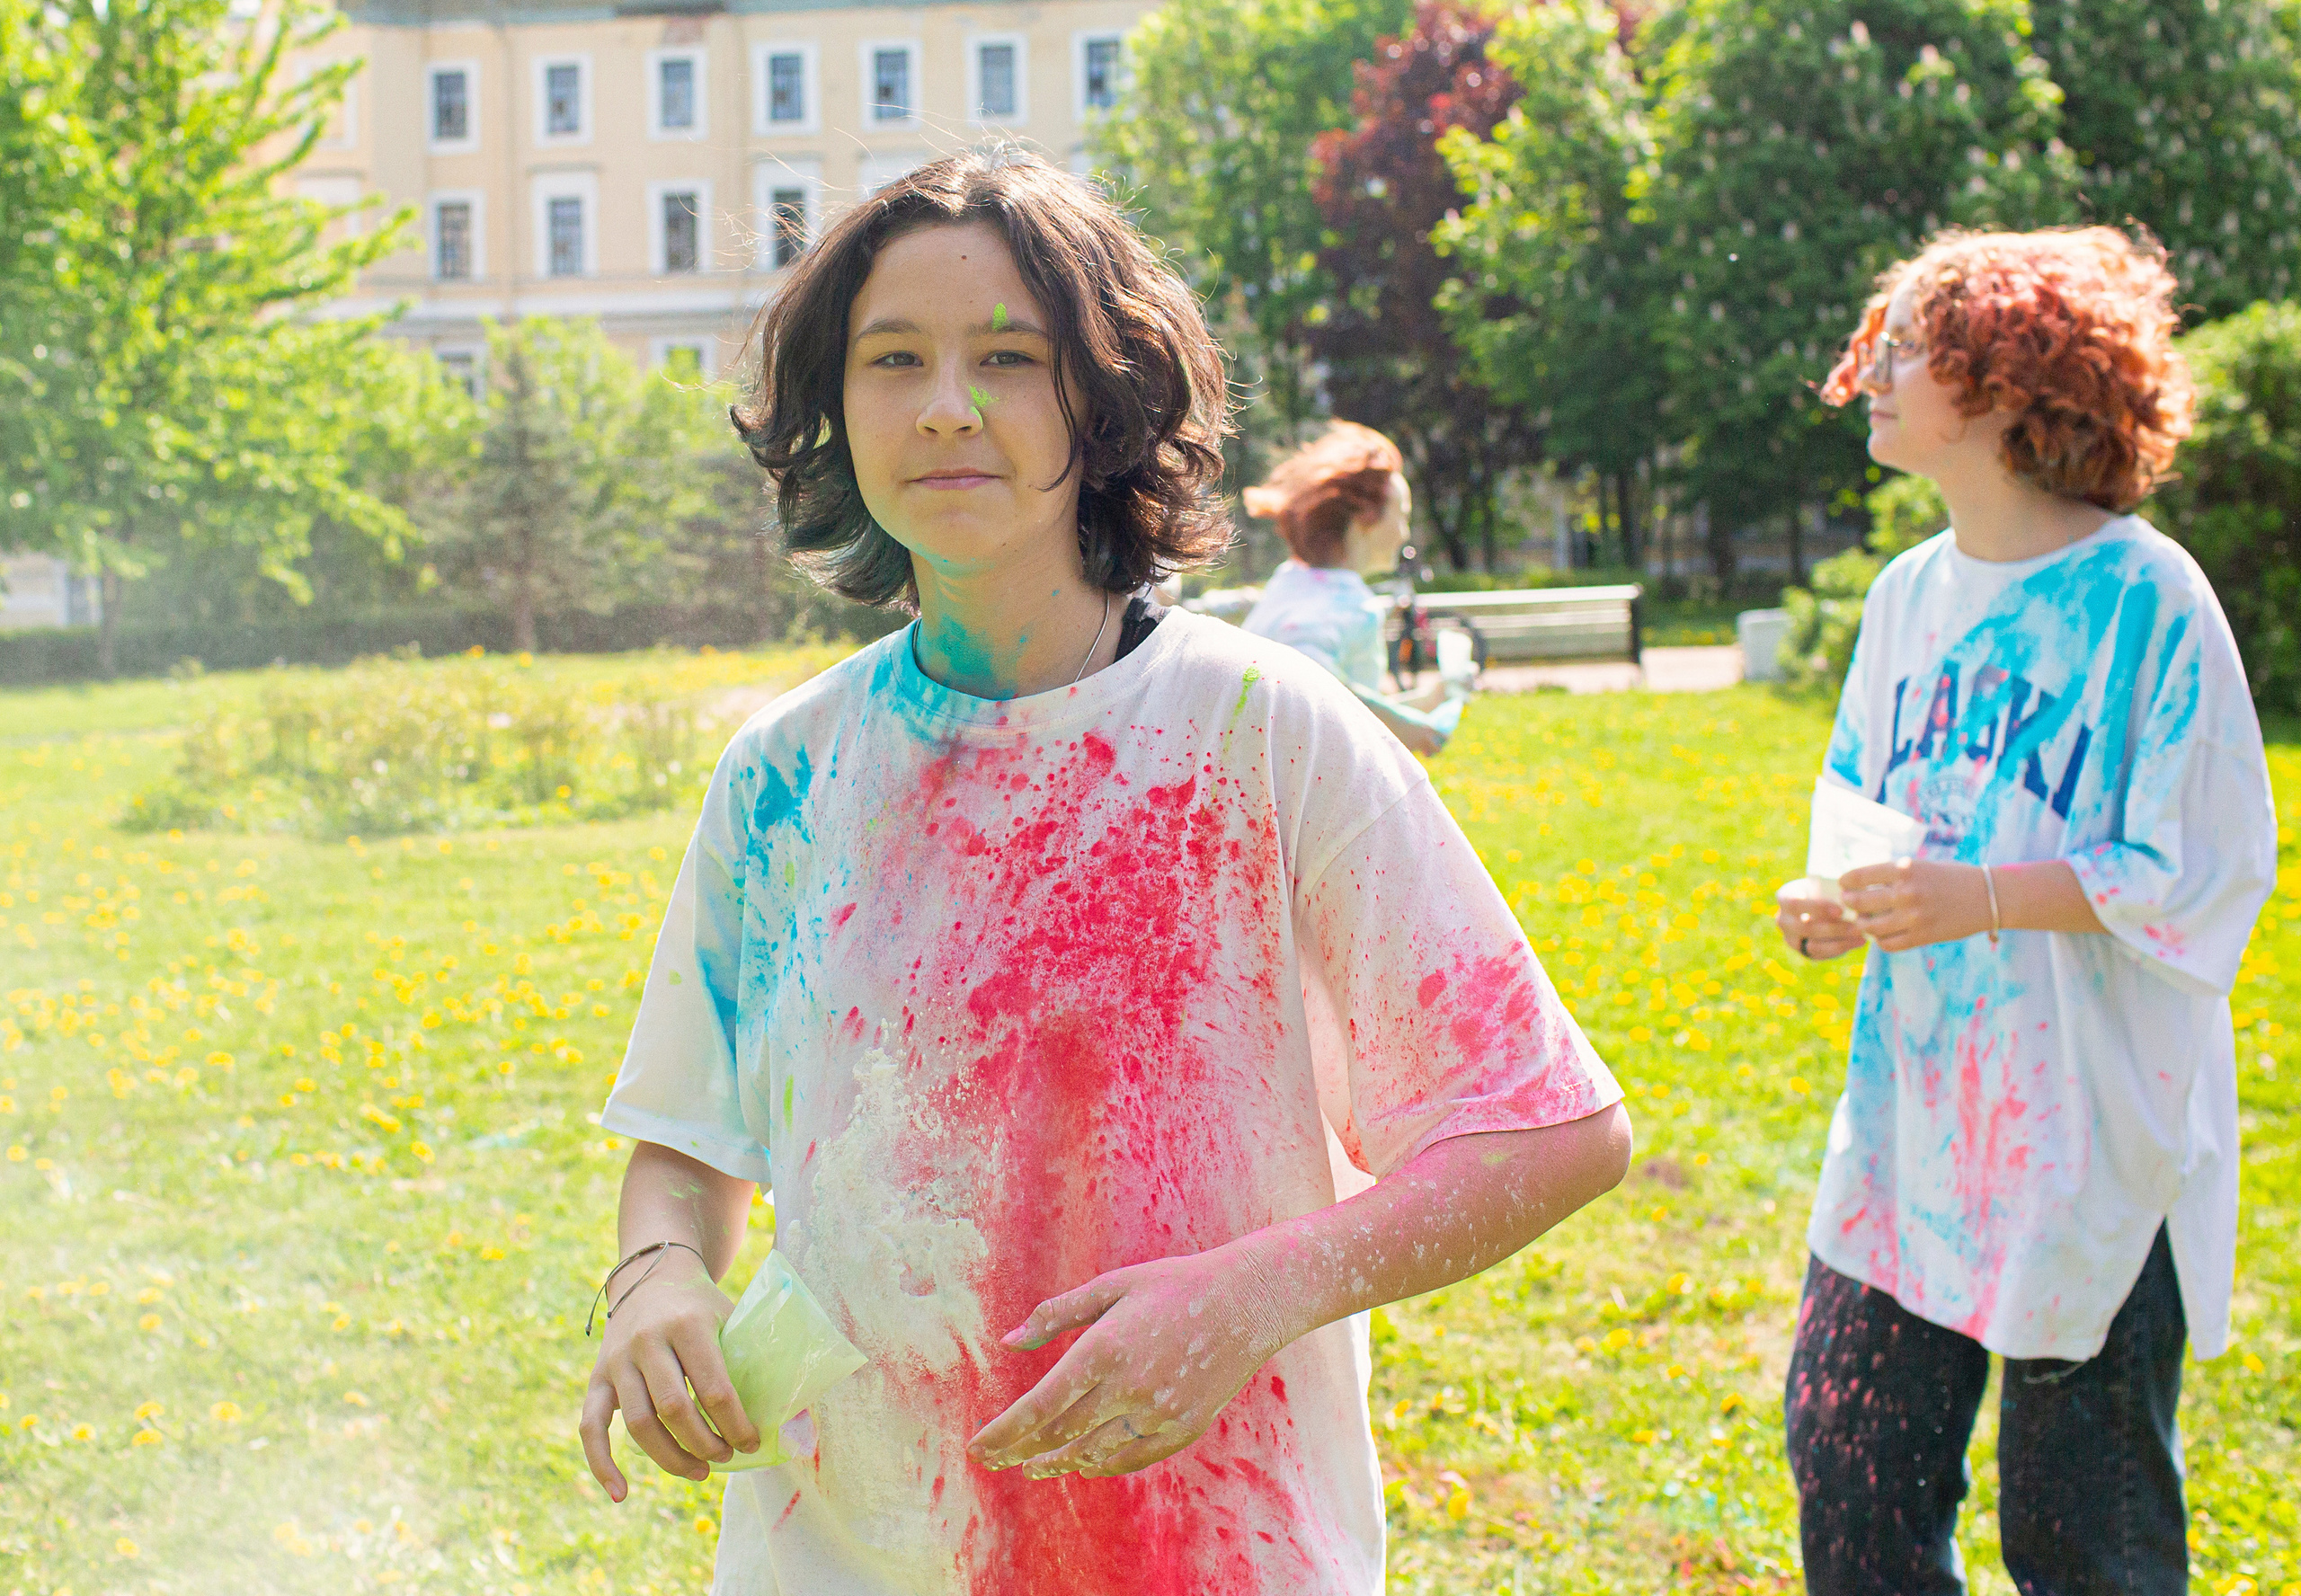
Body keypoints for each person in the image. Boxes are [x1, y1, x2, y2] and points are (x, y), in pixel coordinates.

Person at [575, 147, 1632, 1595]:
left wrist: (1262, 1292)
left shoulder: (1260, 732)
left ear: (1109, 395)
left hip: (1210, 1554)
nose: (947, 405)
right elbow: (689, 1150)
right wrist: (656, 1281)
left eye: (1008, 357)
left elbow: (1552, 1130)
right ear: (836, 405)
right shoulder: (785, 776)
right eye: (895, 360)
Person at [1776, 226, 2276, 1596]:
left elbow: (2211, 865)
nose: (1870, 365)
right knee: (1848, 1471)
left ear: (2013, 377)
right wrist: (1838, 900)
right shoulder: (1906, 598)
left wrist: (1979, 898)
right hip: (1912, 1122)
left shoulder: (2150, 599)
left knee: (2082, 1536)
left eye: (1913, 344)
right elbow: (1864, 803)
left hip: (2091, 1140)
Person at [1239, 423, 1463, 756]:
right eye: (1401, 516)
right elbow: (1311, 681)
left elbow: (1347, 701)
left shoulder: (1289, 581)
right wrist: (1406, 727)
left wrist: (1431, 699)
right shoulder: (1349, 604)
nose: (1403, 535)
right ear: (1364, 518)